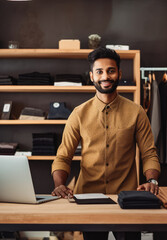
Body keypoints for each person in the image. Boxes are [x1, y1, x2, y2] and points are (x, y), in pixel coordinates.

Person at [51, 47, 160, 240]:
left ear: (119, 73)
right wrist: (59, 185)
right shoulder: (78, 114)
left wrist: (152, 181)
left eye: (111, 70)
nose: (105, 76)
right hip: (88, 199)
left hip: (127, 198)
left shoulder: (137, 112)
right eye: (99, 71)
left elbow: (149, 154)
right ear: (91, 76)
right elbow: (63, 156)